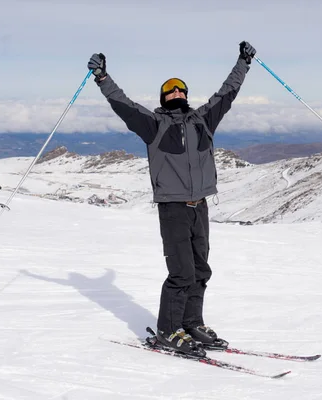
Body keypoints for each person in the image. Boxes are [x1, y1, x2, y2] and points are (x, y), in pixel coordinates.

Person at [87, 41, 256, 357]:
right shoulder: (154, 125)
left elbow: (226, 93)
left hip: (200, 206)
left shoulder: (203, 120)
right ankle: (168, 331)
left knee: (200, 270)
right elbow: (124, 104)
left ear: (186, 96)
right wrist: (102, 78)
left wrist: (243, 63)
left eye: (181, 89)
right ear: (164, 97)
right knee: (181, 273)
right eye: (170, 89)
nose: (176, 92)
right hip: (173, 207)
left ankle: (191, 323)